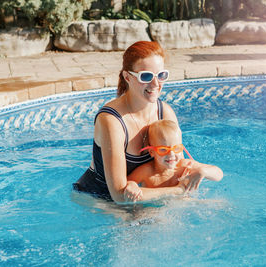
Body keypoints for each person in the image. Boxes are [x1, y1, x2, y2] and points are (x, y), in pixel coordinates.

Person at [73, 41, 188, 203]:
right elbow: (119, 196)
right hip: (98, 198)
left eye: (161, 75)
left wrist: (199, 171)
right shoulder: (112, 120)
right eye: (146, 76)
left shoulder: (165, 113)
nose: (156, 84)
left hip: (139, 196)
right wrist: (178, 190)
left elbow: (178, 168)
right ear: (127, 77)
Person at [125, 120, 223, 201]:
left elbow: (219, 174)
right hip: (154, 211)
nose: (171, 154)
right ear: (152, 152)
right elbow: (128, 182)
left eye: (176, 149)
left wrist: (202, 171)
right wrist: (132, 185)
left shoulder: (185, 166)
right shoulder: (147, 171)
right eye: (163, 149)